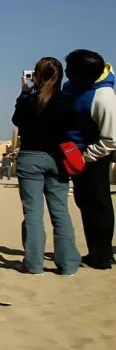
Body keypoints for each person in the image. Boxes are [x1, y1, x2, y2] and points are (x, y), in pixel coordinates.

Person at [12, 57, 81, 275]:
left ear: (37, 76)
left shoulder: (29, 100)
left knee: (33, 212)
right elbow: (72, 126)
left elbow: (17, 121)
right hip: (57, 158)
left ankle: (33, 264)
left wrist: (24, 92)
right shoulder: (66, 100)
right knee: (60, 211)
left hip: (31, 157)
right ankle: (68, 264)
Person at [64, 49, 116, 270]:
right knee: (85, 204)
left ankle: (102, 256)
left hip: (93, 158)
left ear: (84, 76)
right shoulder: (73, 87)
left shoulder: (103, 98)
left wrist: (85, 157)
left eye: (70, 71)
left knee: (99, 205)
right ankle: (94, 250)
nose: (66, 74)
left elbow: (111, 140)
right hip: (75, 157)